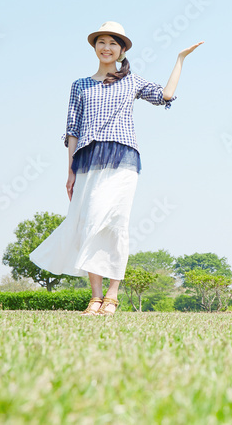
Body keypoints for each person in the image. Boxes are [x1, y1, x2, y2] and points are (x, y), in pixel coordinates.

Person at [29, 21, 202, 315]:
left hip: (122, 159)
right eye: (101, 42)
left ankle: (112, 294)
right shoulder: (80, 85)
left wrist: (180, 60)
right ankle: (95, 297)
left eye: (113, 43)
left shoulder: (131, 81)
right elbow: (72, 129)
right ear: (95, 48)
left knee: (115, 223)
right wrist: (70, 171)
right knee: (88, 224)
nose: (106, 47)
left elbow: (165, 96)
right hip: (87, 160)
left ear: (121, 50)